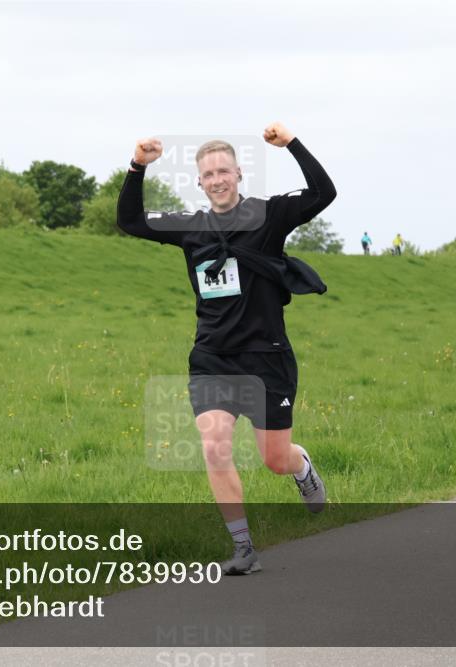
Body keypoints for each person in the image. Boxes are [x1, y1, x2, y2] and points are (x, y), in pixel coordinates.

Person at [116, 123, 336, 575]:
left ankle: (301, 467)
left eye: (224, 171)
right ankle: (243, 549)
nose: (217, 180)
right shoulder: (191, 228)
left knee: (275, 459)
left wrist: (291, 144)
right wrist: (138, 166)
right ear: (199, 183)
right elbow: (130, 222)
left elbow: (322, 193)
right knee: (214, 446)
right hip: (213, 357)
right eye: (208, 174)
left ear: (238, 174)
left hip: (267, 356)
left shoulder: (267, 216)